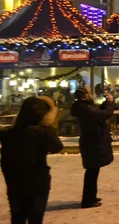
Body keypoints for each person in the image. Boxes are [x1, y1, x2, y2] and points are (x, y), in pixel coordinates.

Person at [1, 96, 63, 224]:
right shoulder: (41, 133)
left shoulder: (9, 133)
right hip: (37, 185)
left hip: (15, 185)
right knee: (36, 219)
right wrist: (49, 125)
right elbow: (57, 146)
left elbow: (5, 163)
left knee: (17, 218)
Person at [70, 86, 116, 208]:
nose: (92, 94)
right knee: (92, 171)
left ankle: (91, 196)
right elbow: (104, 114)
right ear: (85, 96)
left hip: (91, 141)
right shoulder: (85, 108)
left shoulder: (84, 107)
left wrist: (106, 103)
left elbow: (97, 112)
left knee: (93, 171)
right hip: (92, 142)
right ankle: (87, 200)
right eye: (89, 92)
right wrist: (110, 103)